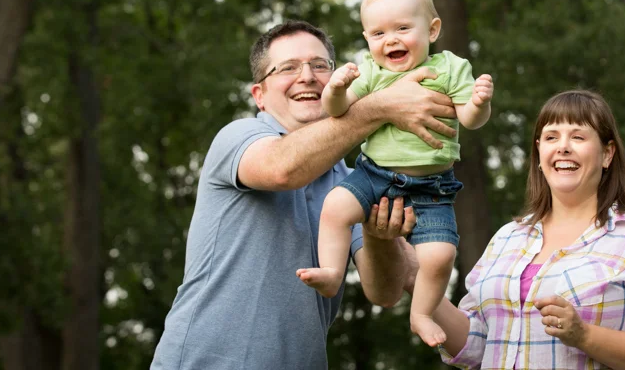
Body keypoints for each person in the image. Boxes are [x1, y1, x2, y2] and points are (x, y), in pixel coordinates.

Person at [150, 20, 459, 370]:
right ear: (259, 95)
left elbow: (384, 292)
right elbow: (282, 168)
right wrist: (380, 107)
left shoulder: (356, 180)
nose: (307, 76)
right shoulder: (238, 137)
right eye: (288, 68)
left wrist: (378, 235)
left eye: (320, 65)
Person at [426, 90, 625, 370]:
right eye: (551, 137)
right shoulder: (506, 238)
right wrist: (415, 276)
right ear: (539, 153)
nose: (563, 147)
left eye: (578, 137)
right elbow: (476, 347)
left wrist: (584, 336)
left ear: (607, 154)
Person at [296, 0, 494, 348]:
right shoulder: (371, 72)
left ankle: (421, 313)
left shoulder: (450, 68)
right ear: (367, 39)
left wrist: (479, 103)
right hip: (374, 175)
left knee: (440, 255)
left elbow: (469, 119)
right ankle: (332, 271)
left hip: (431, 188)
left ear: (432, 30)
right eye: (378, 33)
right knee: (335, 207)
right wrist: (335, 89)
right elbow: (337, 111)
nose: (390, 40)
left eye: (403, 28)